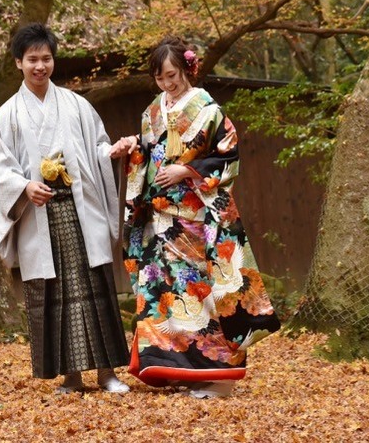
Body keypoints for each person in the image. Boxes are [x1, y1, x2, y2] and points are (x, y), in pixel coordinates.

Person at [109, 37, 280, 398]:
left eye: (172, 75)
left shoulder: (207, 108)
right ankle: (175, 368)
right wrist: (133, 149)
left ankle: (218, 378)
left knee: (201, 294)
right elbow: (148, 149)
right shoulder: (153, 111)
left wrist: (187, 172)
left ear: (187, 69)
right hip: (159, 215)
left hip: (195, 216)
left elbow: (227, 154)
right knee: (164, 294)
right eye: (159, 78)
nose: (167, 84)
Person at [0, 23, 131, 394]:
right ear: (18, 62)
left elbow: (96, 147)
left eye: (46, 58)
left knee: (93, 289)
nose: (40, 66)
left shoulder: (75, 105)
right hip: (40, 216)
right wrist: (25, 186)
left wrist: (110, 154)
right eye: (32, 59)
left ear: (53, 60)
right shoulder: (7, 115)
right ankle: (71, 377)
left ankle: (107, 374)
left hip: (80, 210)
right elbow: (0, 169)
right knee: (59, 297)